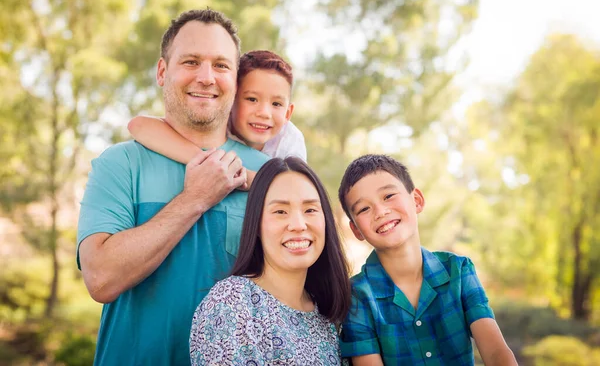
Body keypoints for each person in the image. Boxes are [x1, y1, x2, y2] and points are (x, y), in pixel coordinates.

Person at [77, 9, 269, 365]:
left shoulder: (269, 173)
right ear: (163, 72)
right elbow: (100, 279)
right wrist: (195, 198)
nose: (207, 77)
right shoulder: (119, 164)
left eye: (222, 66)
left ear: (237, 80)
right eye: (191, 61)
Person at [337, 155, 517, 365]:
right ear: (356, 230)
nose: (381, 211)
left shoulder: (458, 271)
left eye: (388, 196)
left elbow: (496, 353)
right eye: (364, 209)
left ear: (417, 201)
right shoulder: (356, 297)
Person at [189, 157, 351, 365]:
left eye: (310, 210)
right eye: (280, 212)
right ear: (256, 224)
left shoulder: (326, 315)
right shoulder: (233, 303)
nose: (298, 225)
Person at [127, 50, 306, 187]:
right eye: (252, 99)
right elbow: (139, 126)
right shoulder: (215, 123)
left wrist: (242, 176)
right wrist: (212, 165)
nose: (264, 113)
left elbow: (292, 188)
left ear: (288, 114)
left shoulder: (289, 139)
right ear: (231, 99)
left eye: (276, 104)